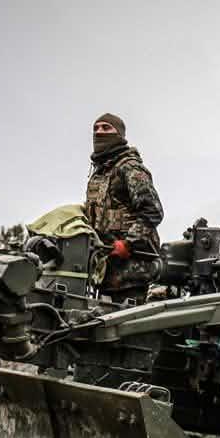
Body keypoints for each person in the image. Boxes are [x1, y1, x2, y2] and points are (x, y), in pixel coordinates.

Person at [84, 112, 165, 298]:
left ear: (119, 134)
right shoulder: (100, 173)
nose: (99, 132)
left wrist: (128, 244)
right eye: (96, 128)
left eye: (106, 128)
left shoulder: (129, 167)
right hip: (107, 271)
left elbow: (153, 210)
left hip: (133, 270)